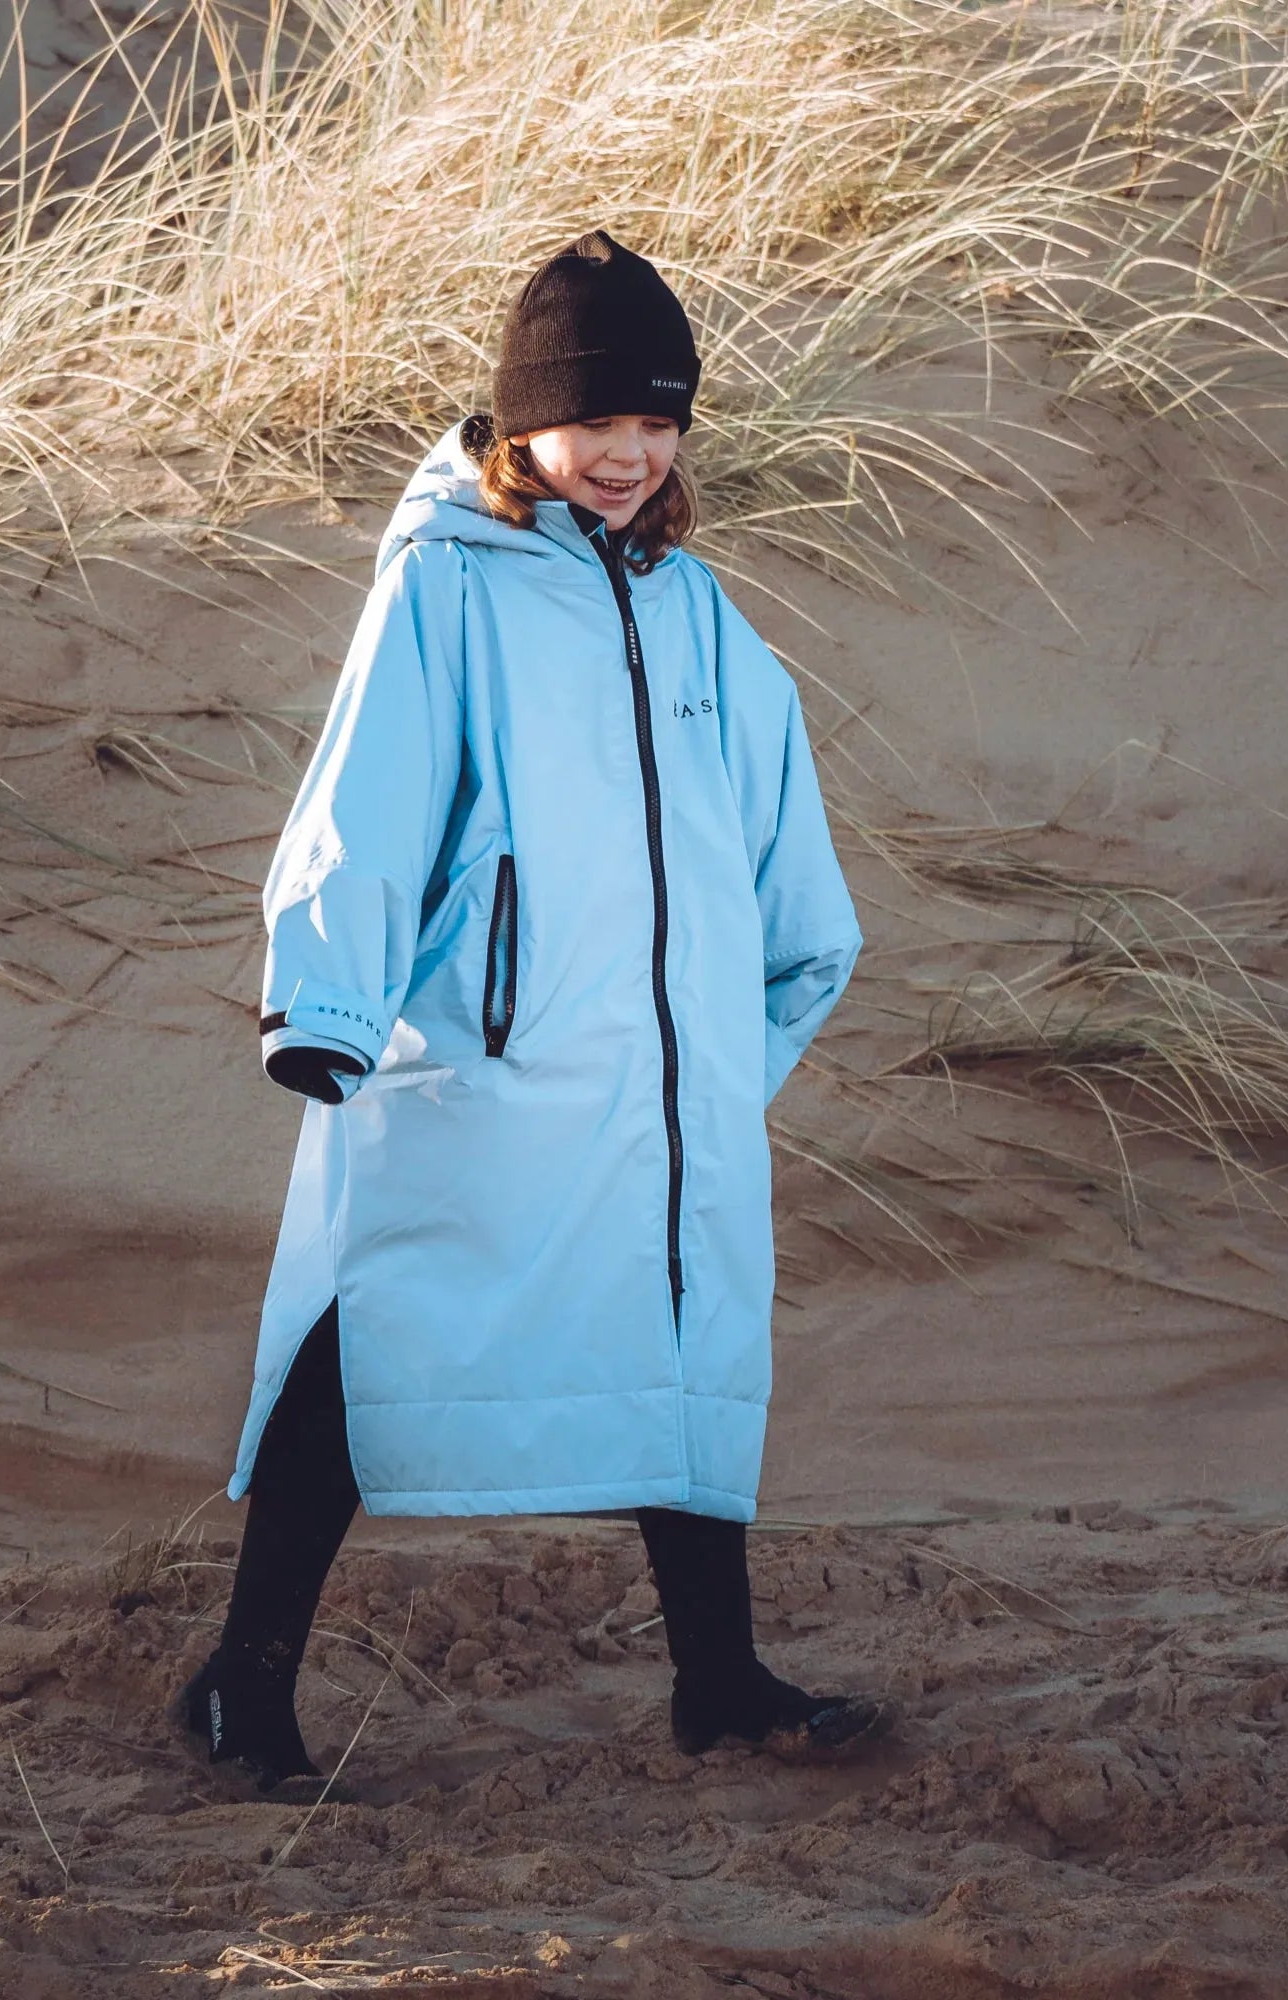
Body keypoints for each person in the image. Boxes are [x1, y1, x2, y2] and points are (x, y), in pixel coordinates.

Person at [175, 230, 885, 1798]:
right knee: (371, 1330)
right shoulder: (446, 587)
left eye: (660, 420)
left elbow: (785, 866)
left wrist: (731, 1039)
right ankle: (244, 1679)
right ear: (518, 425)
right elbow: (366, 791)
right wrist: (328, 1001)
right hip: (476, 1068)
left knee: (678, 1337)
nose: (631, 452)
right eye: (597, 421)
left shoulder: (704, 618)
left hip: (657, 1084)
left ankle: (717, 1680)